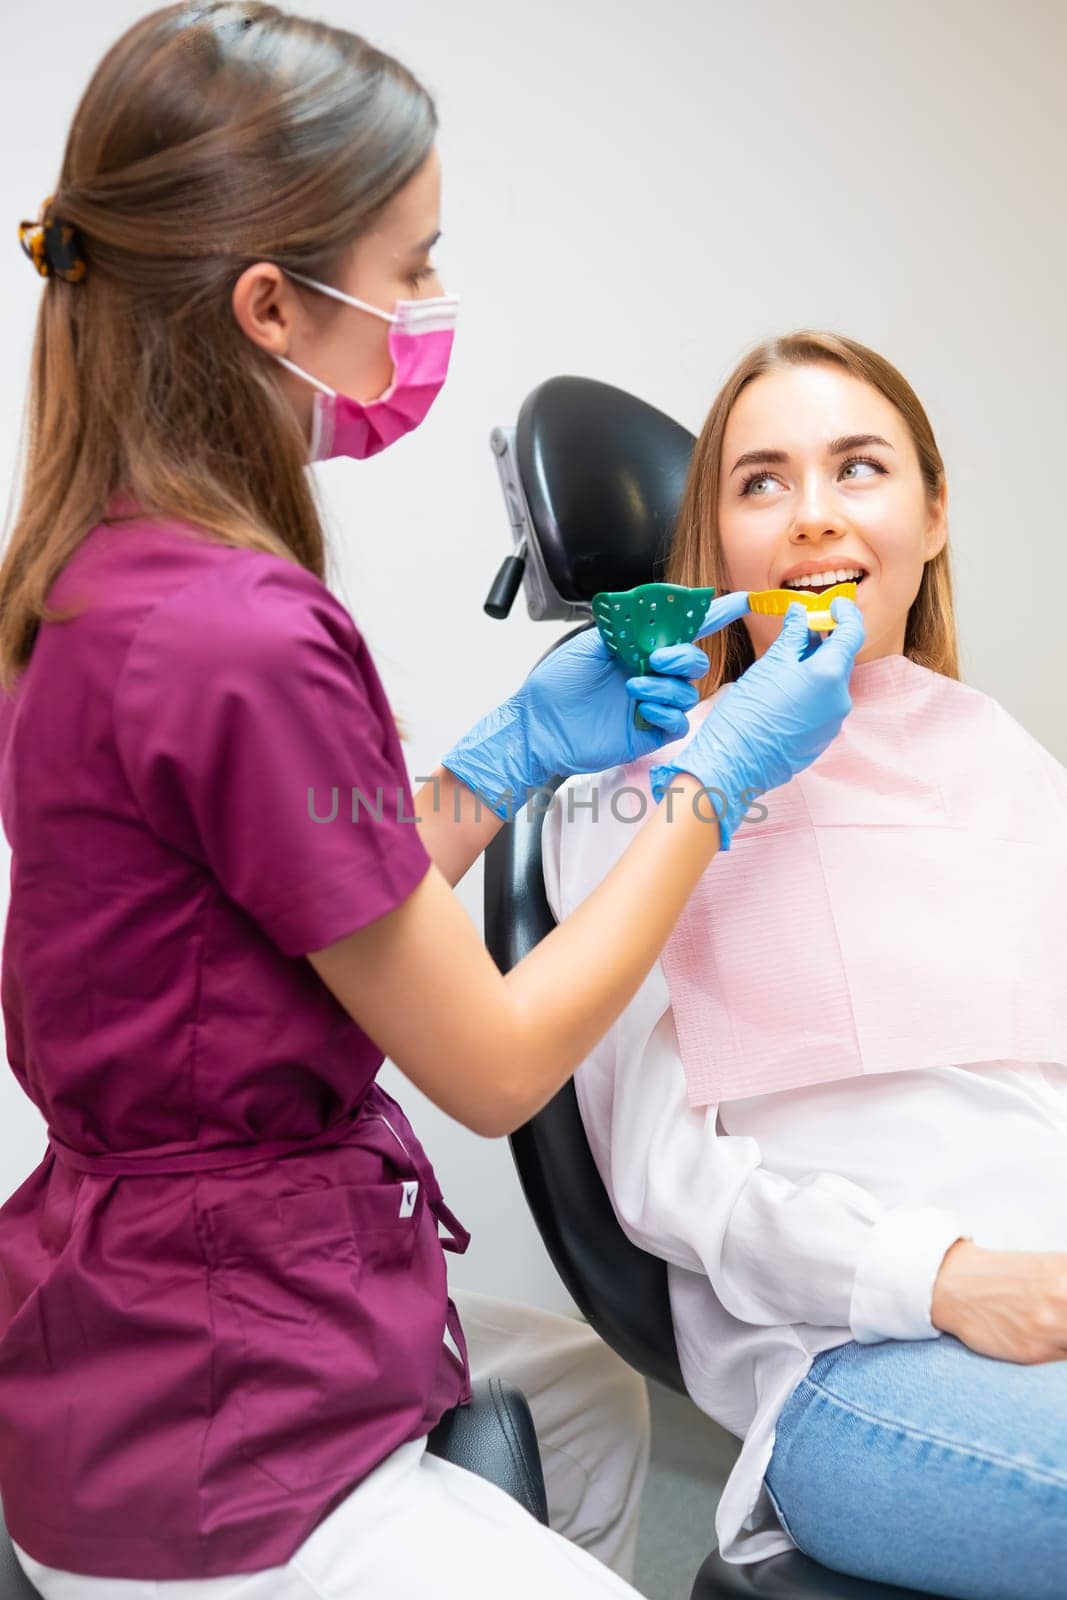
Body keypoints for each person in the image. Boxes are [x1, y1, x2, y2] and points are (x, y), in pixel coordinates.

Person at [0, 7, 865, 1598]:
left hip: (121, 1315)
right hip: (209, 1416)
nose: (425, 310)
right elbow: (491, 1062)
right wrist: (708, 781)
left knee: (589, 1412)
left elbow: (290, 889)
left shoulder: (103, 570)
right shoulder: (238, 625)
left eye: (861, 473)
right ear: (269, 305)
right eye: (407, 269)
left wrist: (498, 761)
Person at [542, 329, 1067, 1600]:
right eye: (762, 481)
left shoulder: (1006, 760)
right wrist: (943, 1278)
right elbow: (666, 1176)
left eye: (859, 469)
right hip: (861, 1355)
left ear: (932, 514)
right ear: (712, 542)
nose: (813, 517)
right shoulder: (644, 791)